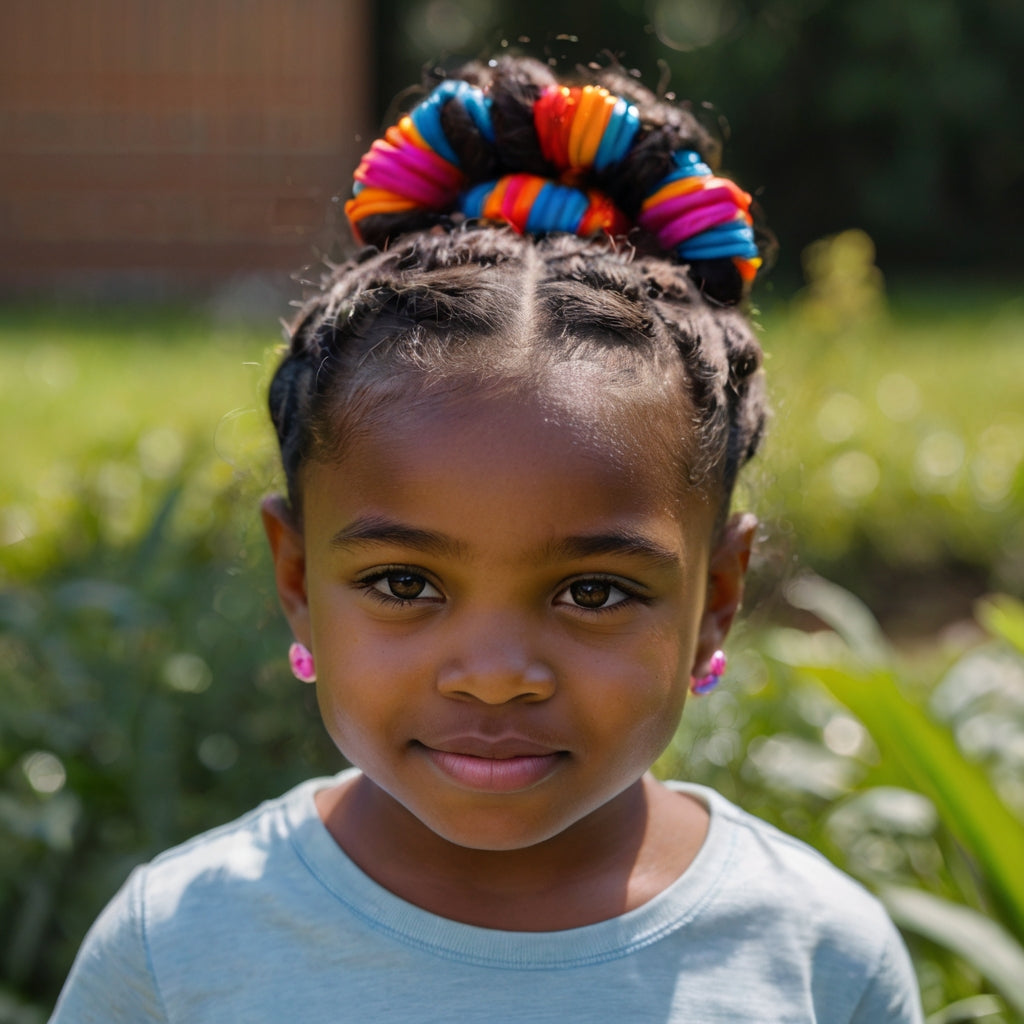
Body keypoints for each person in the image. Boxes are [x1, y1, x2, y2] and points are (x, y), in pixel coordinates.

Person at [51, 56, 923, 1022]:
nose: (496, 674)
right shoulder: (178, 952)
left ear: (717, 599)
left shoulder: (814, 958)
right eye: (404, 583)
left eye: (593, 592)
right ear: (297, 577)